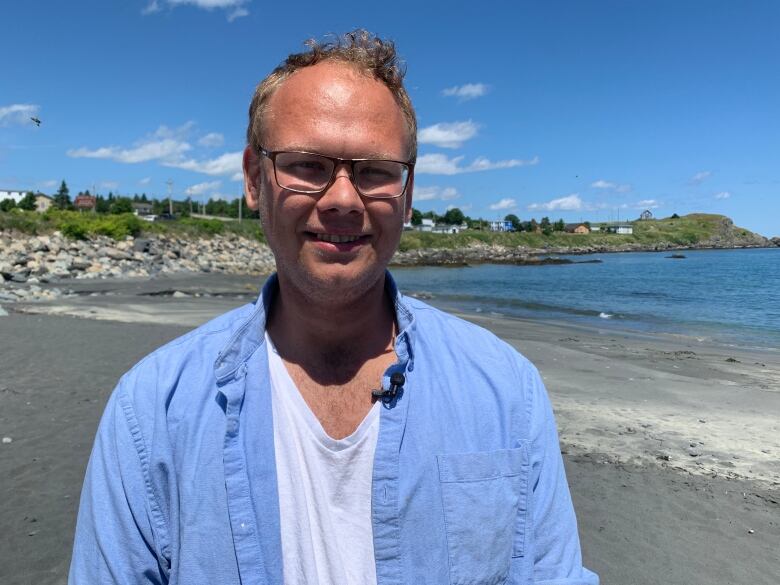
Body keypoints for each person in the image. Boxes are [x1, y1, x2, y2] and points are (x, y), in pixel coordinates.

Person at [69, 30, 598, 585]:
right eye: (308, 165)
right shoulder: (152, 411)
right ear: (255, 179)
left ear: (408, 194)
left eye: (375, 171)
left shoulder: (506, 391)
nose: (343, 199)